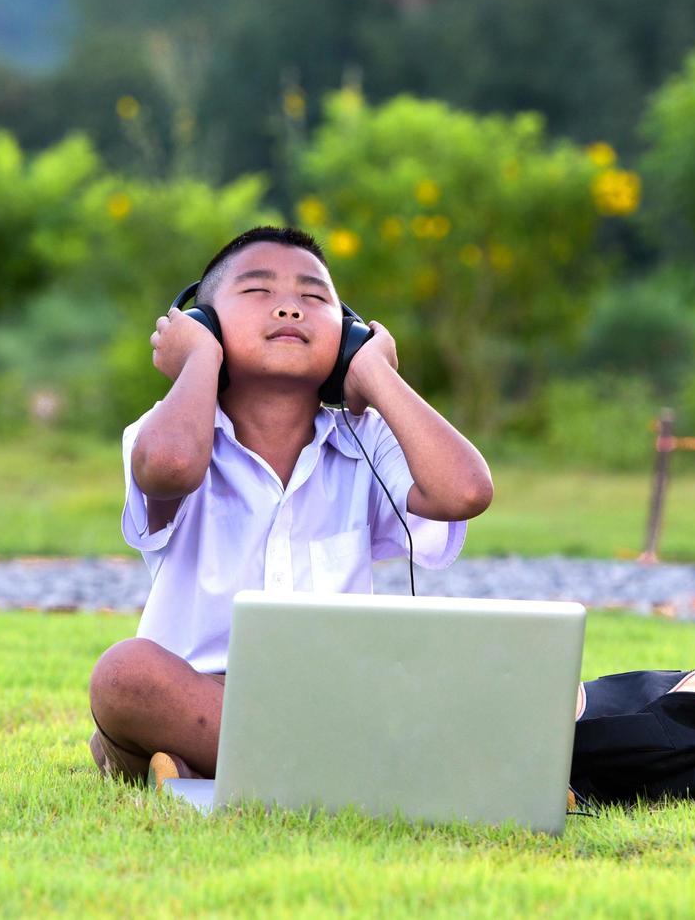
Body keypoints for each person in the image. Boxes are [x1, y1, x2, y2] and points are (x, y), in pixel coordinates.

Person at [87, 225, 495, 787]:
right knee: (125, 675)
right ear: (203, 323)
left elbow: (465, 492)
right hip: (199, 689)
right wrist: (198, 359)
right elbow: (173, 467)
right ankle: (336, 770)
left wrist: (375, 374)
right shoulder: (164, 431)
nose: (289, 310)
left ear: (348, 336)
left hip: (338, 702)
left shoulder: (367, 440)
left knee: (473, 676)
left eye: (314, 296)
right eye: (257, 292)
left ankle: (190, 765)